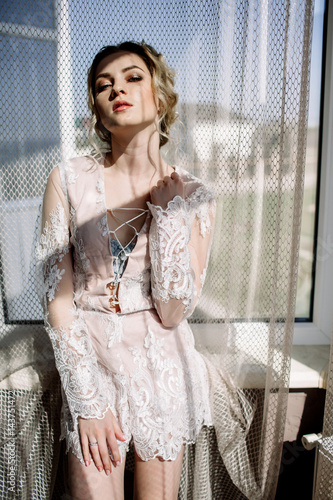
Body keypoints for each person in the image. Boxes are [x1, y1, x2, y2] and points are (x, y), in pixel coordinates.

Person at [36, 41, 215, 499]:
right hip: (91, 361)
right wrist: (88, 401)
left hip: (163, 365)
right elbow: (57, 298)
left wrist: (170, 215)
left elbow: (175, 311)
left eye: (133, 76)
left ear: (161, 94)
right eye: (103, 85)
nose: (118, 88)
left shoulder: (192, 192)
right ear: (97, 111)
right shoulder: (68, 178)